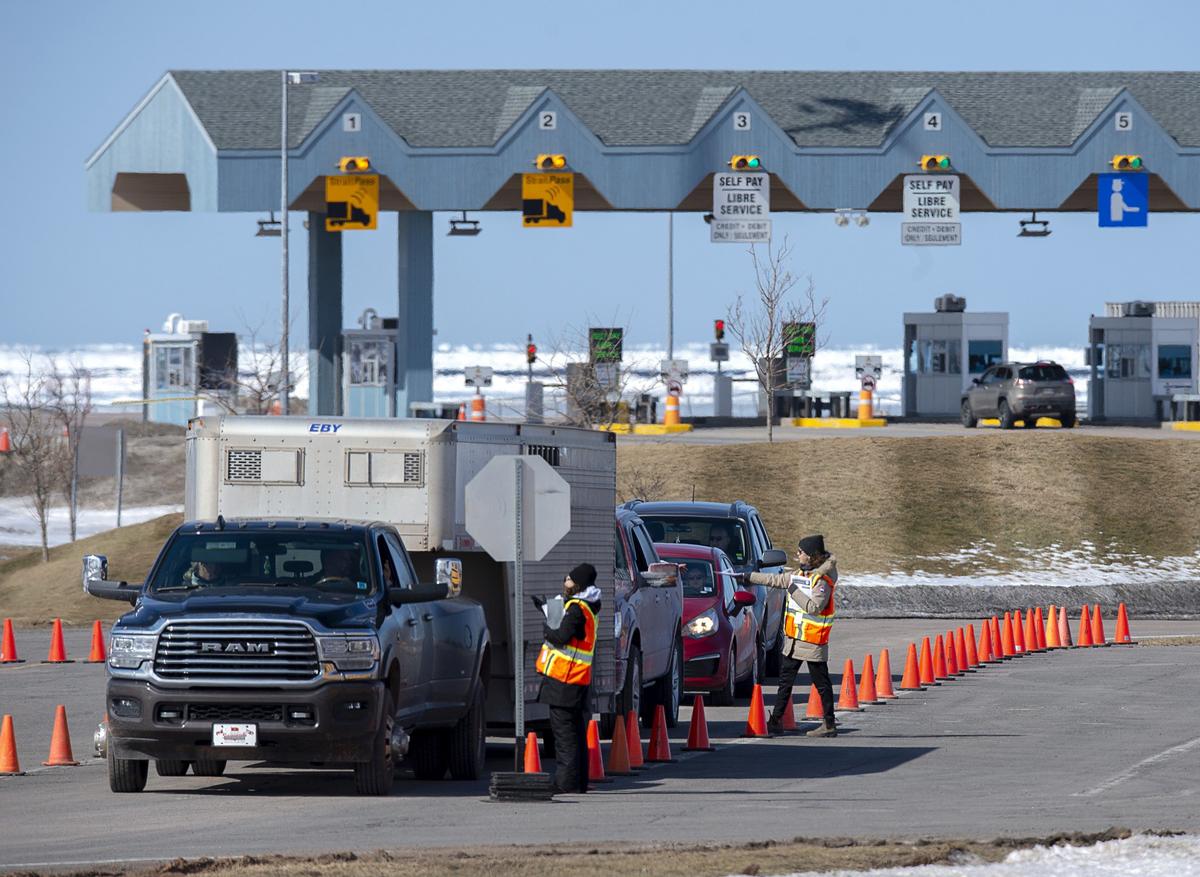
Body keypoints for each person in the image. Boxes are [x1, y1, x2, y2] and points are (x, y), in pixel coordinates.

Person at [740, 534, 838, 738]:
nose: (797, 555)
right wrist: (748, 577)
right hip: (794, 640)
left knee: (821, 683)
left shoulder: (822, 581)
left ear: (811, 556)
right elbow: (775, 580)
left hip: (812, 641)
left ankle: (829, 723)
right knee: (785, 682)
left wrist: (793, 590)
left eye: (800, 552)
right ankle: (776, 721)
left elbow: (814, 608)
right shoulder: (801, 574)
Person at [535, 563, 602, 793]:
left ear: (578, 584)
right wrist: (547, 609)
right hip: (577, 681)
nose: (565, 583)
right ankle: (578, 782)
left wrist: (546, 628)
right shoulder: (588, 607)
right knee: (576, 736)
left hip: (565, 680)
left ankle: (565, 784)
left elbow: (561, 635)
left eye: (569, 580)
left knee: (565, 738)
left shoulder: (576, 608)